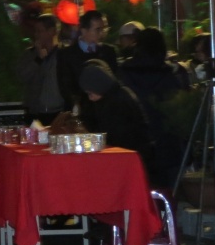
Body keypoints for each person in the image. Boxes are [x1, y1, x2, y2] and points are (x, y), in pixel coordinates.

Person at [119, 28, 191, 188]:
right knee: (169, 189)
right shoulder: (173, 73)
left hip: (137, 138)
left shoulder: (125, 71)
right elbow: (182, 105)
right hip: (168, 139)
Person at [79, 59, 156, 180]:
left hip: (132, 158)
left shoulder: (115, 102)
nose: (90, 98)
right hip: (135, 155)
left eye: (90, 93)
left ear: (98, 86)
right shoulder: (115, 95)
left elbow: (116, 136)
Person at [56, 10, 117, 110]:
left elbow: (114, 81)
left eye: (104, 29)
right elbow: (65, 86)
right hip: (80, 109)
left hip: (106, 108)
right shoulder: (67, 54)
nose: (102, 33)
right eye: (98, 29)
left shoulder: (108, 51)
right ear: (84, 31)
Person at [16, 14, 64, 125]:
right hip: (35, 112)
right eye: (35, 31)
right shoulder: (30, 54)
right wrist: (38, 60)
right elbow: (22, 76)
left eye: (39, 31)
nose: (36, 35)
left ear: (52, 31)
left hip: (59, 112)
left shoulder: (64, 54)